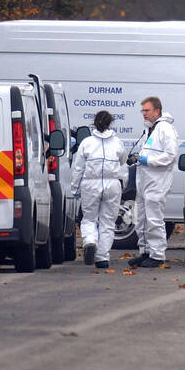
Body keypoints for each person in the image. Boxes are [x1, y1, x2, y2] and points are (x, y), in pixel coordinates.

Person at [72, 110, 128, 269]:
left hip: (90, 184)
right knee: (107, 222)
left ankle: (90, 241)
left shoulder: (86, 143)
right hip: (112, 184)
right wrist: (123, 183)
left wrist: (75, 189)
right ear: (110, 123)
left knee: (89, 218)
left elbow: (78, 169)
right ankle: (102, 258)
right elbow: (123, 161)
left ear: (94, 123)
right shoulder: (117, 142)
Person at [128, 96, 179, 268]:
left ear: (157, 111)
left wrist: (148, 161)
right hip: (144, 181)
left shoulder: (165, 129)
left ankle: (157, 255)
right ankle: (145, 252)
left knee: (154, 218)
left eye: (147, 110)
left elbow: (170, 156)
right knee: (141, 218)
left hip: (157, 182)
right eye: (142, 110)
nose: (144, 114)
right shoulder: (150, 129)